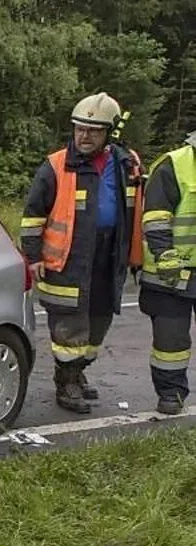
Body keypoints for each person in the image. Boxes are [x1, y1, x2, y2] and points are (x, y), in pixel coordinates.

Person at [20, 92, 145, 414]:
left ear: (110, 133)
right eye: (79, 129)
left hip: (109, 256)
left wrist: (136, 257)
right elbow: (33, 216)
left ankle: (77, 371)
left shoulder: (126, 163)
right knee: (69, 326)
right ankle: (66, 381)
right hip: (68, 260)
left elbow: (136, 211)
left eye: (93, 130)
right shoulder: (56, 165)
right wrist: (33, 257)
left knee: (99, 322)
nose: (84, 136)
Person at [138, 130, 196, 414]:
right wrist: (165, 254)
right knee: (170, 341)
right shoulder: (174, 164)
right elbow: (156, 217)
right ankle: (171, 392)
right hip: (171, 272)